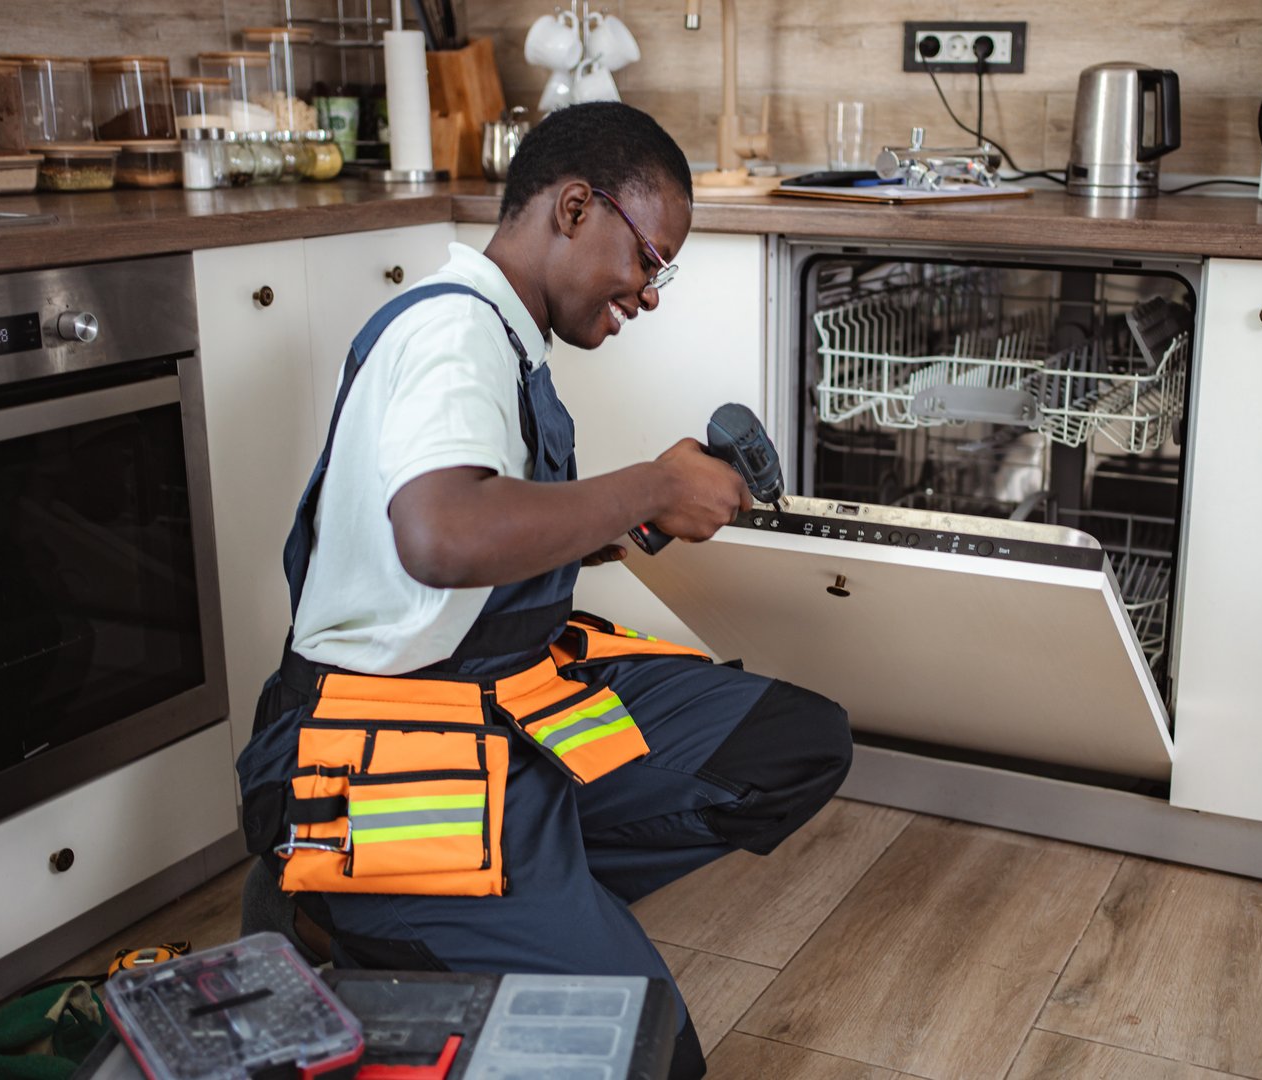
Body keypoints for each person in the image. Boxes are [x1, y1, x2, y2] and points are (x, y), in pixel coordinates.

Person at [235, 102, 853, 1078]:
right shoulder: (453, 334)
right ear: (574, 208)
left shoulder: (506, 337)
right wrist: (650, 482)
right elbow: (443, 537)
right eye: (650, 259)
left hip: (500, 701)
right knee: (647, 1056)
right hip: (378, 746)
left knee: (792, 743)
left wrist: (631, 523)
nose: (651, 293)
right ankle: (341, 905)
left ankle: (536, 903)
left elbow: (491, 541)